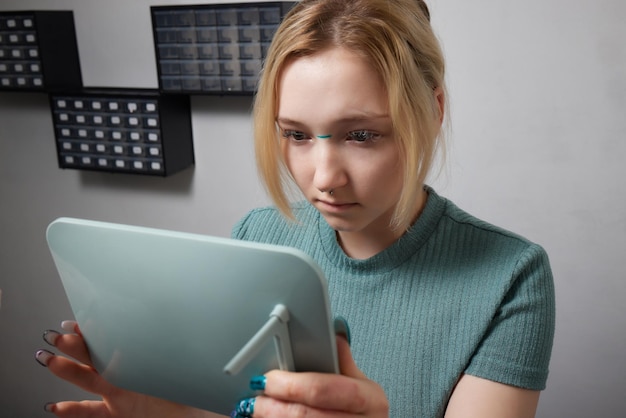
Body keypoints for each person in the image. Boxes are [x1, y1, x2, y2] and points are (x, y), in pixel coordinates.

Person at [35, 0, 555, 417]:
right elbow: (245, 408)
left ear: (433, 110)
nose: (324, 178)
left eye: (361, 134)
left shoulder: (510, 277)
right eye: (296, 135)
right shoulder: (258, 236)